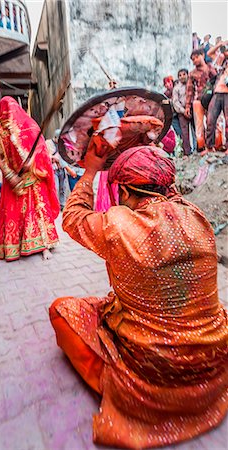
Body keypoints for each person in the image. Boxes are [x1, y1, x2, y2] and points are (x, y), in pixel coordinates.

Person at [50, 145, 228, 449]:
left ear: (125, 191)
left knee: (61, 311)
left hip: (154, 371)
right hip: (212, 367)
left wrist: (91, 170)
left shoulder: (117, 224)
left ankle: (116, 385)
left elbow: (72, 216)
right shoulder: (198, 219)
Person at [0, 97, 59, 261]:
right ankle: (17, 246)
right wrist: (10, 176)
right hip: (13, 179)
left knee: (39, 212)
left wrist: (33, 160)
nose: (9, 111)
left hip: (34, 176)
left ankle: (44, 246)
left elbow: (40, 147)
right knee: (15, 213)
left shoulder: (27, 125)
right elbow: (0, 158)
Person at [185, 49, 217, 151]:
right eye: (192, 59)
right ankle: (201, 147)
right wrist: (187, 106)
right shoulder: (192, 73)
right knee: (199, 125)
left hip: (212, 100)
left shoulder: (211, 68)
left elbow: (217, 80)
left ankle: (213, 145)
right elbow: (189, 91)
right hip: (198, 101)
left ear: (202, 55)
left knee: (212, 122)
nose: (194, 60)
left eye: (196, 57)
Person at [205, 40, 228, 154]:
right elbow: (209, 53)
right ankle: (209, 146)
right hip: (217, 93)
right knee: (210, 119)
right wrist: (220, 44)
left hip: (227, 93)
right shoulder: (222, 60)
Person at [46, 129, 77, 210]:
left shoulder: (63, 144)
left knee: (62, 188)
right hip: (54, 169)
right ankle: (55, 205)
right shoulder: (48, 143)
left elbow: (62, 156)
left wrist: (57, 159)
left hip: (62, 169)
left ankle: (62, 205)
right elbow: (48, 156)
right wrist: (54, 158)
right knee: (55, 187)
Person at [172, 68, 193, 155]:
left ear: (188, 75)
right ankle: (187, 152)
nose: (182, 77)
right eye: (180, 75)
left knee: (195, 130)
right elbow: (175, 102)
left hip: (192, 109)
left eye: (184, 74)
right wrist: (183, 111)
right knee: (184, 133)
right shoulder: (176, 88)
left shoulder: (191, 85)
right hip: (181, 112)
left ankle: (198, 148)